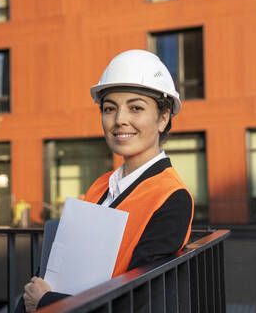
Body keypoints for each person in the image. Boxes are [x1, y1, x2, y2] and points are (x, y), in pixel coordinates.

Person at [21, 49, 194, 311]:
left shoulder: (172, 197)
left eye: (136, 108)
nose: (119, 120)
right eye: (109, 108)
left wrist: (45, 301)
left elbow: (139, 297)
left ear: (163, 117)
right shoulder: (101, 185)